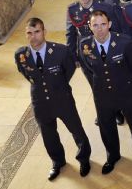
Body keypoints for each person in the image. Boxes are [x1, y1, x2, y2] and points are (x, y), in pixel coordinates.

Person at [16, 18, 91, 180]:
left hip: (62, 98)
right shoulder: (21, 55)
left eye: (37, 32)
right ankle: (57, 161)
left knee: (76, 130)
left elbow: (69, 70)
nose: (33, 36)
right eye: (29, 33)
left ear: (44, 32)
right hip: (40, 102)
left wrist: (56, 85)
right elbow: (27, 74)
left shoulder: (60, 51)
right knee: (48, 134)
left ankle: (84, 158)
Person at [79, 11, 132, 175]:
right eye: (95, 25)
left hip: (125, 92)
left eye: (103, 24)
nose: (100, 29)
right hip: (102, 94)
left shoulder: (124, 42)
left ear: (109, 24)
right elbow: (88, 68)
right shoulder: (84, 45)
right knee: (106, 128)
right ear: (90, 27)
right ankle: (113, 156)